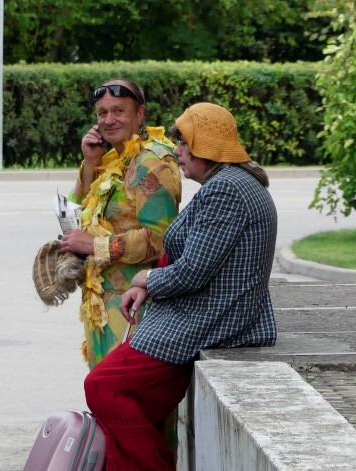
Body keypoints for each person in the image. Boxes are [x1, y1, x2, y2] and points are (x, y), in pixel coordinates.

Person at [84, 102, 278, 470]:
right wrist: (149, 284)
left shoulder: (227, 191)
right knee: (135, 411)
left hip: (206, 318)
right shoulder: (230, 184)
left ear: (206, 148)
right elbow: (186, 249)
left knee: (102, 387)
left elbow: (193, 272)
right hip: (205, 314)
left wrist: (146, 278)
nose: (177, 152)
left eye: (185, 146)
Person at [57, 78, 182, 368]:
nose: (109, 120)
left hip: (136, 308)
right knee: (105, 398)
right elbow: (77, 212)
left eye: (119, 111)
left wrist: (95, 246)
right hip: (103, 305)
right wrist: (90, 164)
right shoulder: (113, 157)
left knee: (125, 401)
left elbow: (160, 239)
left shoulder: (152, 164)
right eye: (102, 113)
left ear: (140, 114)